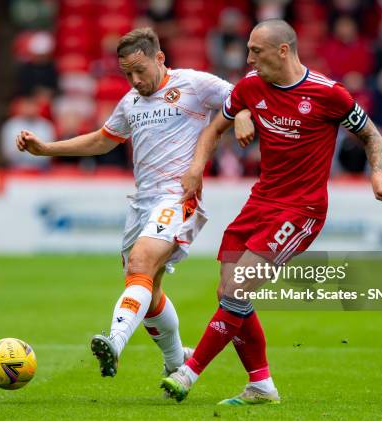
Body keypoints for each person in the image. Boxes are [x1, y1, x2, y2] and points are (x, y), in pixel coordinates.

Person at [162, 19, 382, 405]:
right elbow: (213, 129)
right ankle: (261, 385)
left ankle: (188, 373)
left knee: (238, 290)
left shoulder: (329, 94)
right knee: (229, 293)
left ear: (283, 51)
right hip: (260, 203)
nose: (248, 59)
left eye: (255, 51)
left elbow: (371, 135)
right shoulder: (250, 86)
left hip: (301, 210)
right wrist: (196, 168)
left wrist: (378, 176)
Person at [16, 28, 252, 378]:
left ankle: (114, 341)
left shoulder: (193, 84)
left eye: (140, 70)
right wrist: (47, 148)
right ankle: (176, 361)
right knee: (147, 287)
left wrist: (243, 112)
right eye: (127, 73)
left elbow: (242, 95)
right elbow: (101, 141)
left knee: (141, 262)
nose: (135, 79)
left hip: (179, 197)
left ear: (160, 58)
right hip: (142, 204)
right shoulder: (130, 102)